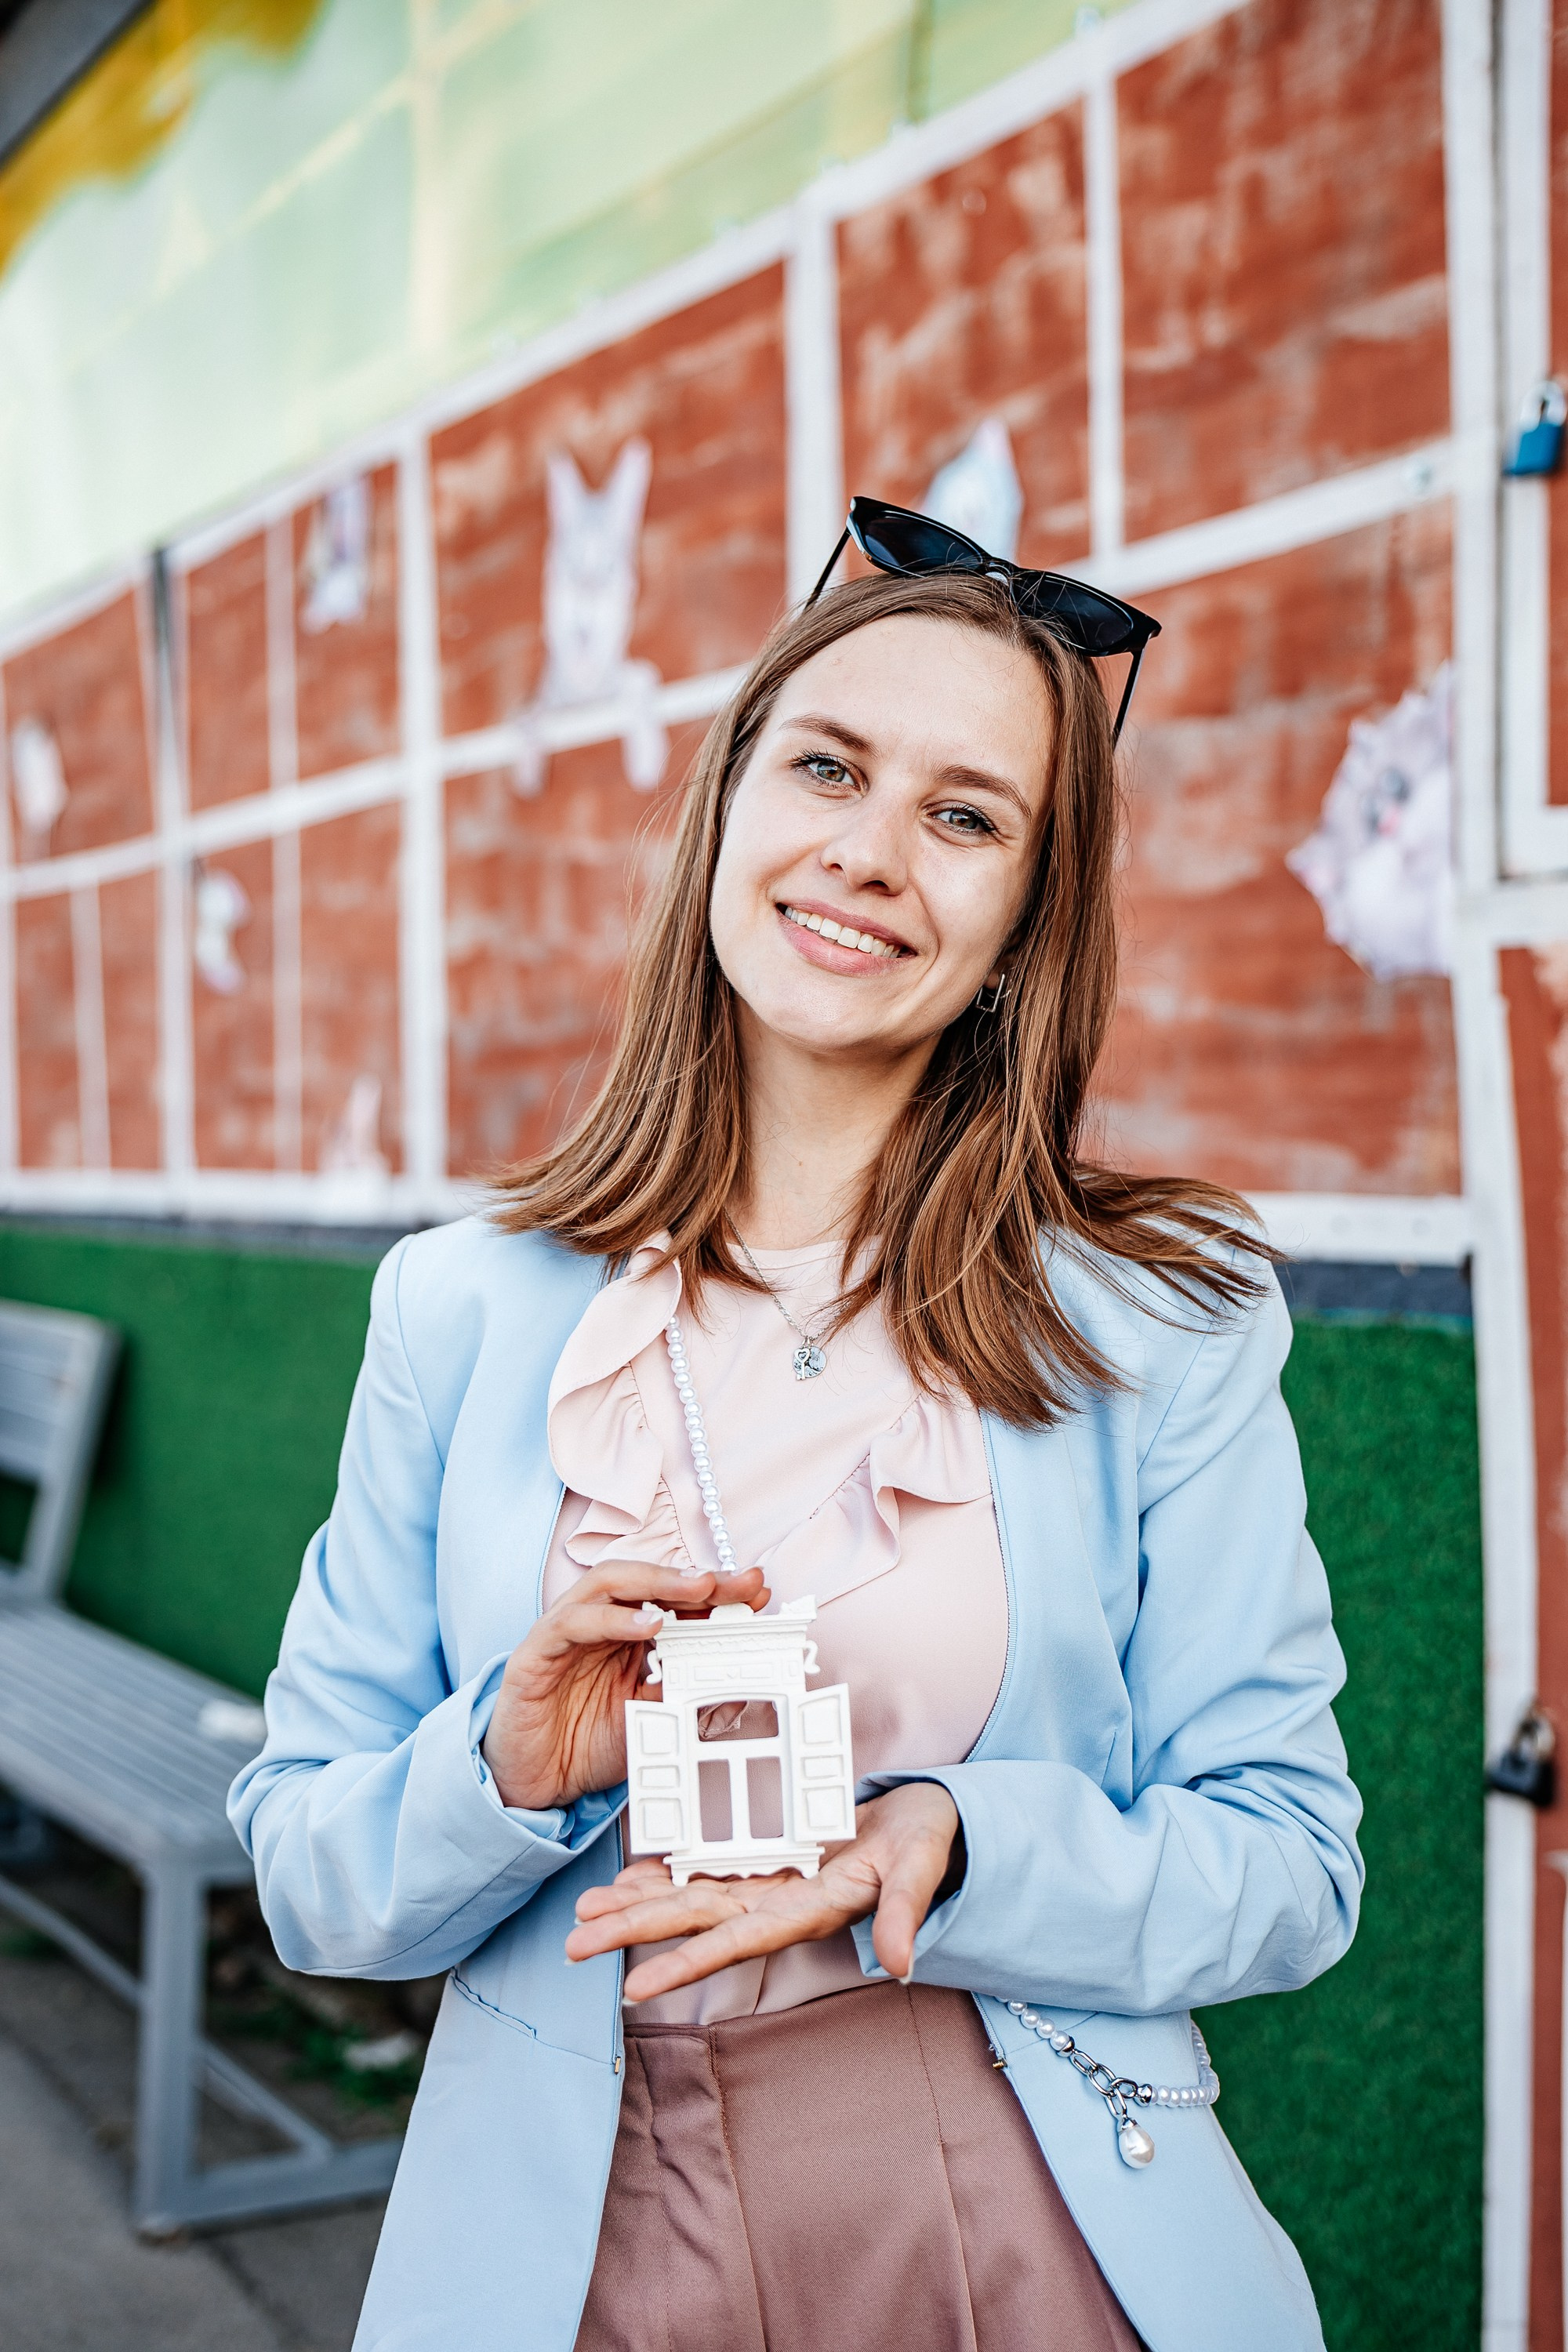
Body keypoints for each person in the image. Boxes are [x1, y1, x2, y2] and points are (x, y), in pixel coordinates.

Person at [230, 511, 1363, 2352]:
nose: (868, 853)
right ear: (726, 812)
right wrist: (504, 1766)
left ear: (1019, 926)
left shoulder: (1165, 1322)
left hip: (1006, 2192)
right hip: (572, 2226)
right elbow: (310, 1874)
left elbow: (1293, 1863)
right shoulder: (458, 1303)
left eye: (966, 815)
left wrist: (955, 1843)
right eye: (828, 766)